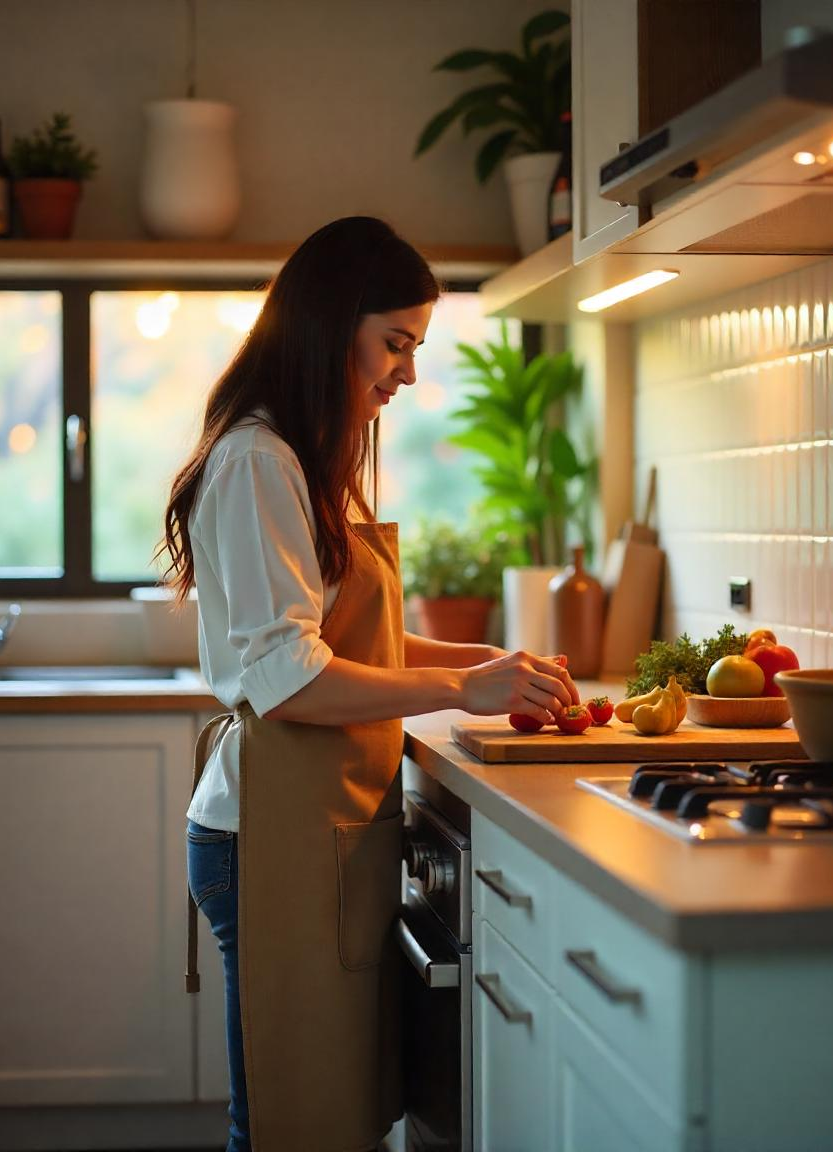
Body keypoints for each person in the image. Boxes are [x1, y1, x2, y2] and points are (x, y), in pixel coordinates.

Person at [159, 216, 579, 1152]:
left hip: (317, 827)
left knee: (331, 1112)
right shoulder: (260, 460)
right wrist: (459, 694)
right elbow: (287, 678)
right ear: (331, 324)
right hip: (268, 836)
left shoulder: (301, 457)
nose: (408, 372)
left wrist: (481, 666)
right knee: (289, 1119)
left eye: (416, 347)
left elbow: (351, 636)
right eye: (396, 342)